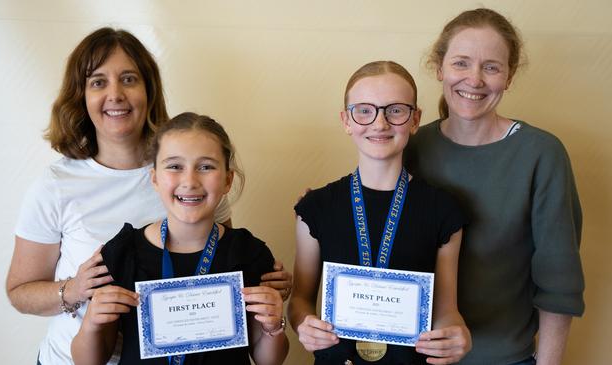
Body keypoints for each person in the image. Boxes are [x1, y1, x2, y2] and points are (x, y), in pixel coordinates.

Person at [5, 27, 291, 365]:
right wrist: (75, 290)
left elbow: (220, 262)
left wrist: (266, 290)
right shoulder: (55, 184)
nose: (116, 94)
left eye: (128, 79)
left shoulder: (187, 172)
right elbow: (19, 292)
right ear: (81, 95)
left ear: (149, 90)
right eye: (98, 82)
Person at [404, 8, 584, 365]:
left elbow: (559, 285)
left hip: (504, 358)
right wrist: (321, 207)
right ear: (439, 68)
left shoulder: (541, 154)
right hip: (413, 356)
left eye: (491, 67)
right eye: (461, 63)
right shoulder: (410, 147)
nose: (474, 80)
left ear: (509, 76)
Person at [289, 61, 471, 365]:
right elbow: (300, 300)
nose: (379, 123)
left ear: (415, 120)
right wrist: (302, 324)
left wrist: (455, 333)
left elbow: (445, 310)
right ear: (346, 120)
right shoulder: (315, 208)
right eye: (364, 110)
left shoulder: (443, 210)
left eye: (395, 110)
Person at [70, 112, 289, 365]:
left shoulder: (249, 253)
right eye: (175, 166)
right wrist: (92, 324)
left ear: (228, 180)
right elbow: (88, 361)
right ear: (155, 178)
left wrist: (274, 326)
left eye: (206, 167)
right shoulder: (122, 253)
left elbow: (268, 360)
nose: (190, 181)